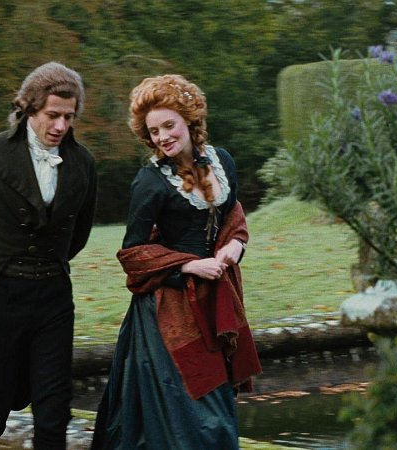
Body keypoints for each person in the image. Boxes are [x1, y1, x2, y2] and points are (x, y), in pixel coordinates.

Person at [90, 74, 262, 449]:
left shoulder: (222, 162)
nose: (163, 137)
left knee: (217, 408)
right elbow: (133, 253)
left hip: (213, 302)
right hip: (169, 312)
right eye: (154, 131)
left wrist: (235, 245)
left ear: (189, 119)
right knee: (193, 416)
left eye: (169, 125)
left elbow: (233, 215)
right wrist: (188, 265)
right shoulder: (150, 182)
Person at [0, 61, 97, 450]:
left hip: (54, 297)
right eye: (52, 115)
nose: (60, 125)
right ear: (28, 109)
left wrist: (48, 263)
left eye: (68, 117)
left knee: (53, 413)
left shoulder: (83, 163)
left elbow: (79, 233)